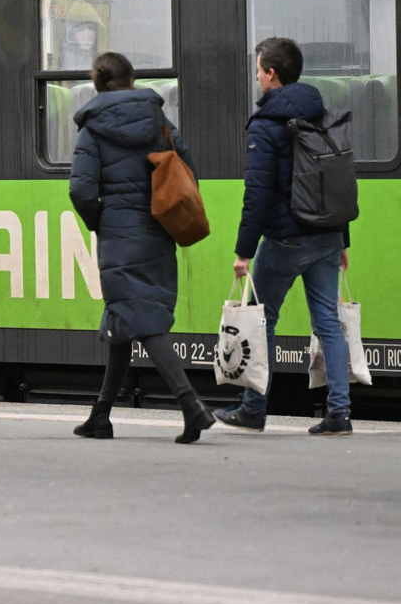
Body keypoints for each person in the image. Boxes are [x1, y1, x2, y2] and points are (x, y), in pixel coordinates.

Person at [69, 52, 216, 444]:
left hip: (119, 233)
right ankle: (100, 416)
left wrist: (99, 220)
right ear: (131, 79)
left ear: (98, 84)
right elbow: (185, 166)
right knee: (124, 317)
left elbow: (81, 190)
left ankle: (191, 406)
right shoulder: (157, 118)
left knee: (142, 320)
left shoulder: (92, 129)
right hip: (158, 228)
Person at [214, 37, 354, 435]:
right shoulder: (320, 112)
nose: (257, 76)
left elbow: (256, 193)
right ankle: (339, 414)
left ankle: (253, 409)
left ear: (271, 74)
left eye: (259, 70)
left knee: (261, 320)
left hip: (286, 240)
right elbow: (335, 179)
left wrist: (243, 252)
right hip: (326, 235)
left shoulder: (266, 124)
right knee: (328, 322)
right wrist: (342, 238)